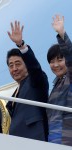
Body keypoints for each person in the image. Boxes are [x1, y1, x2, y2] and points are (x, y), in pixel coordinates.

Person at [6, 21, 49, 141]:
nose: (14, 69)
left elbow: (35, 67)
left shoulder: (35, 80)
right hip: (19, 141)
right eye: (11, 65)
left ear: (26, 65)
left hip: (36, 138)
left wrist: (21, 45)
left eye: (18, 64)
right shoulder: (16, 91)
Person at [47, 15, 72, 146]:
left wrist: (62, 35)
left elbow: (70, 56)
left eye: (59, 60)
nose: (55, 65)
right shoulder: (56, 84)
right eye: (52, 61)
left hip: (67, 139)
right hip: (52, 139)